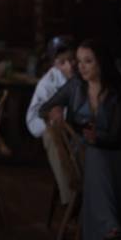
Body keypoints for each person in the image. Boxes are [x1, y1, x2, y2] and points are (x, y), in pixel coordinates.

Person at [41, 39, 121, 240]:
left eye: (88, 61)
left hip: (114, 154)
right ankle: (109, 228)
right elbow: (43, 108)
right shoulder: (75, 85)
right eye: (79, 61)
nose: (81, 66)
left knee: (97, 153)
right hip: (80, 154)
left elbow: (117, 138)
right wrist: (56, 108)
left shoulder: (119, 92)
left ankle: (109, 229)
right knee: (92, 152)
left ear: (102, 63)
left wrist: (96, 139)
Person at [25, 35, 77, 206]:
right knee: (51, 135)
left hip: (85, 131)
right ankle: (71, 200)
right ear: (54, 64)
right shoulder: (47, 83)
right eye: (62, 62)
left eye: (72, 59)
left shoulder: (85, 72)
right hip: (64, 135)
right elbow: (33, 120)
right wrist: (52, 121)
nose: (70, 66)